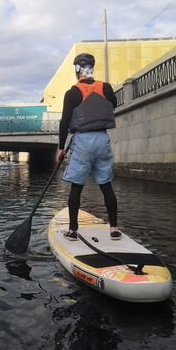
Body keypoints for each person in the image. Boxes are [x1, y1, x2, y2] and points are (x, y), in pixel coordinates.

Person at [56, 53, 122, 241]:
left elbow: (64, 122)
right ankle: (114, 228)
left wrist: (61, 148)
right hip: (102, 139)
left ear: (77, 69)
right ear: (92, 68)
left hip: (83, 141)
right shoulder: (106, 88)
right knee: (106, 185)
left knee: (76, 187)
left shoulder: (72, 93)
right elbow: (114, 104)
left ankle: (72, 231)